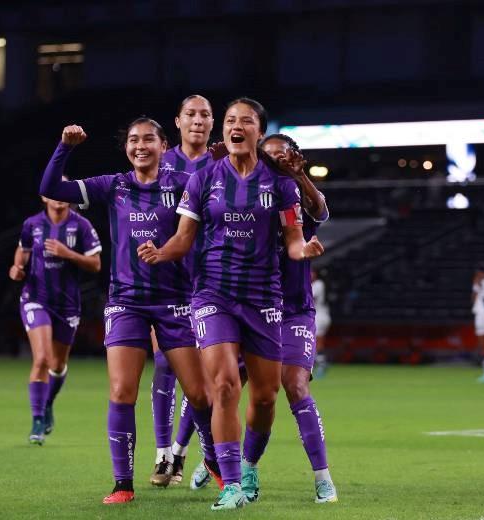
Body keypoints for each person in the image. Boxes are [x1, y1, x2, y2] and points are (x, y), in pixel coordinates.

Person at [138, 97, 324, 510]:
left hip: (263, 298)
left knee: (264, 398)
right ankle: (231, 485)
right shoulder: (203, 178)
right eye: (230, 121)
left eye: (246, 121)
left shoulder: (281, 185)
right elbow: (185, 237)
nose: (236, 126)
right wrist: (162, 252)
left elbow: (292, 242)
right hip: (212, 296)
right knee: (223, 385)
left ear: (259, 130)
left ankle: (250, 464)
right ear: (225, 131)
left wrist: (304, 250)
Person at [39, 120, 219, 505]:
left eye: (148, 139)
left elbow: (213, 204)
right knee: (122, 391)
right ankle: (123, 484)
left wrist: (217, 164)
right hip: (126, 302)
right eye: (133, 140)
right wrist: (64, 146)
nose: (140, 146)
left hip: (176, 301)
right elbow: (51, 188)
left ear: (163, 144)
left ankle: (216, 462)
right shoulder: (114, 185)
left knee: (200, 394)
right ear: (126, 149)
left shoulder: (182, 182)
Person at [260, 133, 338, 503]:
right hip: (251, 307)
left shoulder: (296, 201)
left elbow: (321, 211)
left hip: (293, 309)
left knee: (295, 386)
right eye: (269, 157)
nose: (276, 162)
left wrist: (301, 177)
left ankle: (323, 477)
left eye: (282, 156)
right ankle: (215, 461)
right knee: (220, 388)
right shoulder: (247, 199)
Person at [151, 94, 216, 486]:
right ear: (177, 121)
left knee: (201, 377)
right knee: (163, 363)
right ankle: (163, 454)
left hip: (210, 280)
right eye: (190, 114)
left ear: (213, 122)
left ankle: (180, 449)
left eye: (205, 114)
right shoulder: (159, 162)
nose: (197, 120)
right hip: (167, 282)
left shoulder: (224, 165)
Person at [10, 191, 102, 445]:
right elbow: (23, 252)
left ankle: (48, 401)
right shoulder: (32, 224)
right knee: (41, 358)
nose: (59, 196)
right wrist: (17, 268)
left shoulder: (81, 225)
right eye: (54, 191)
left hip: (67, 304)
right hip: (35, 297)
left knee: (57, 365)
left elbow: (95, 264)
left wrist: (67, 253)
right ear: (43, 197)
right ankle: (37, 420)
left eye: (64, 191)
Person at [311, 268, 331, 378]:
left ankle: (322, 364)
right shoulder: (314, 284)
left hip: (320, 316)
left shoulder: (318, 284)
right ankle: (319, 363)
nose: (310, 274)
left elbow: (311, 298)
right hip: (320, 315)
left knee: (316, 342)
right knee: (316, 342)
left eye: (312, 272)